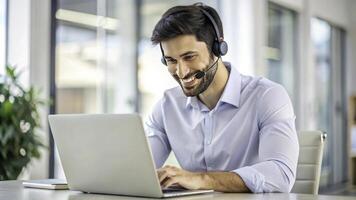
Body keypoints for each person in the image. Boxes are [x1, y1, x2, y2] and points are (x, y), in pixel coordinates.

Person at [145, 3, 299, 193]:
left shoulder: (267, 96)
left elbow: (281, 175)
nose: (181, 71)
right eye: (171, 60)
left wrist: (201, 179)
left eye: (189, 57)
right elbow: (139, 172)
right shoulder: (166, 107)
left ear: (218, 49)